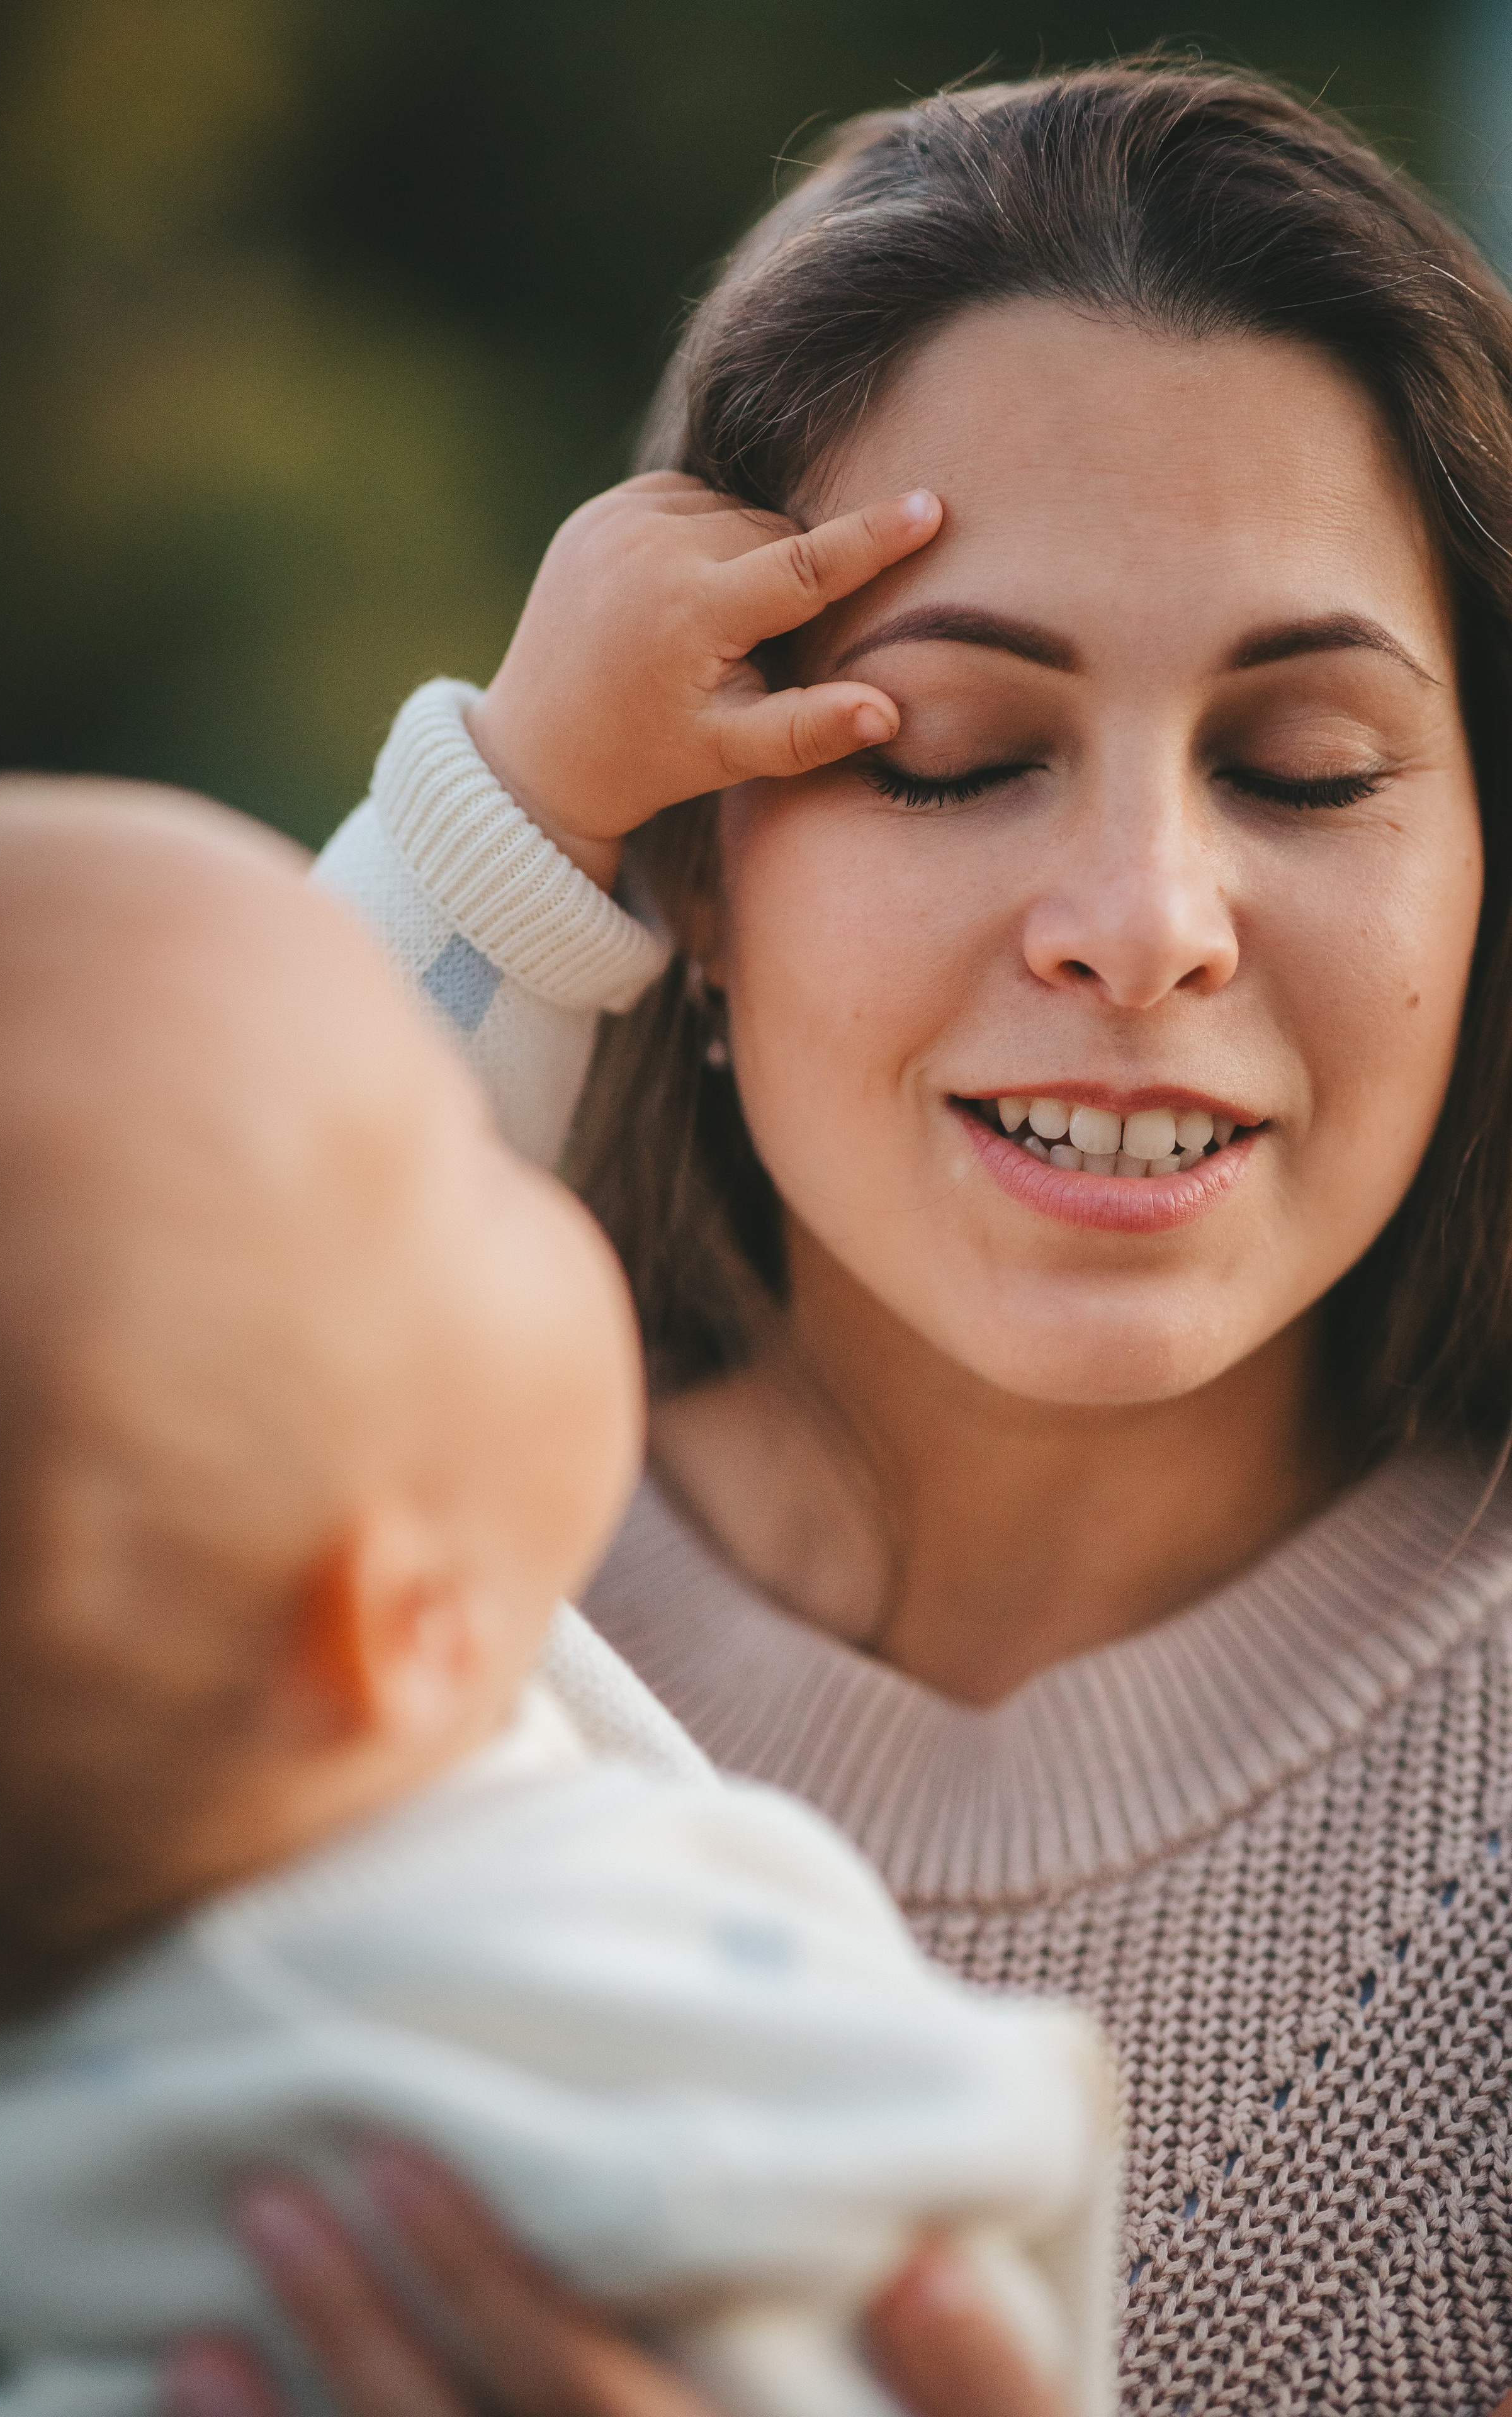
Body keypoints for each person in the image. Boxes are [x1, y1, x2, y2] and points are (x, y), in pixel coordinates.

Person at [298, 57, 1512, 2417]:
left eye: (1306, 769)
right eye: (945, 749)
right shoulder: (305, 1625)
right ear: (683, 871)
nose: (1147, 924)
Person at [0, 781, 1117, 2417]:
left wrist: (537, 780)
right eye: (470, 1154)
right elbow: (996, 2177)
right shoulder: (594, 1999)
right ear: (403, 1630)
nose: (531, 1132)